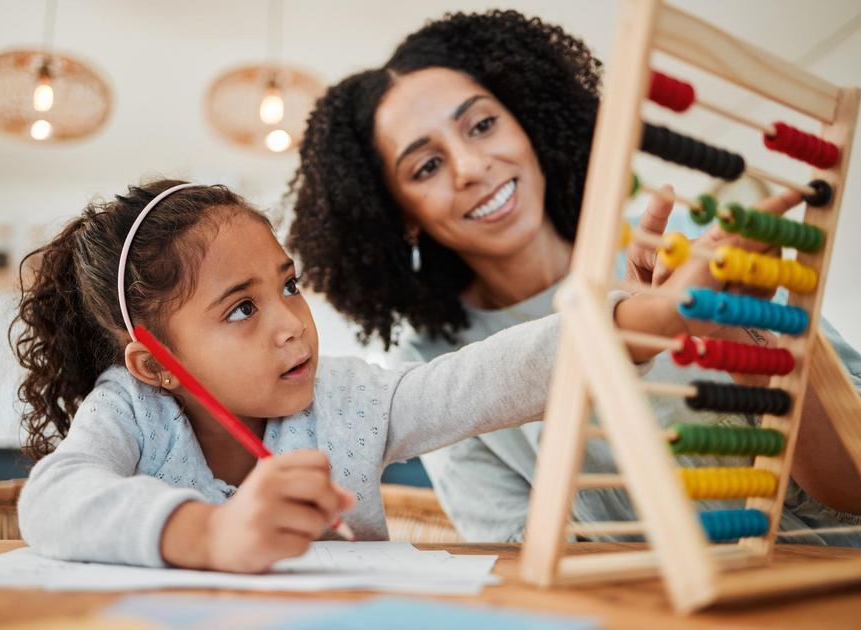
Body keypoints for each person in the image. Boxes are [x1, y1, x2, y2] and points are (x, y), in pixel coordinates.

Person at [287, 10, 861, 544]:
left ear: (529, 123)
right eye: (427, 166)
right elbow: (516, 552)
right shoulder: (432, 362)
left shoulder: (691, 241)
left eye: (482, 125)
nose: (472, 167)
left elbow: (853, 488)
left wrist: (738, 332)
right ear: (399, 215)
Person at [11, 178, 710, 572]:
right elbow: (52, 501)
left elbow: (481, 378)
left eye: (287, 286)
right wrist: (208, 535)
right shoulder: (130, 410)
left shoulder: (349, 399)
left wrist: (637, 320)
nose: (289, 322)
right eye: (241, 309)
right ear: (154, 365)